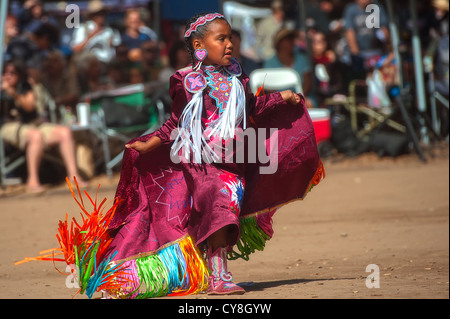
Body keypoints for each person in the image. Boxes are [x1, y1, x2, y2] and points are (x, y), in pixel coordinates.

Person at [18, 12, 324, 299]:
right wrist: (151, 143)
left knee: (222, 213)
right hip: (202, 164)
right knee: (219, 207)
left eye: (230, 37)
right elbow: (176, 122)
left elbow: (252, 110)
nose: (230, 44)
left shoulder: (238, 79)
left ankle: (207, 271)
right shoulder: (187, 81)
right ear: (199, 46)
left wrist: (282, 97)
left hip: (234, 162)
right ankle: (219, 276)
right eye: (222, 39)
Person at [0, 60, 87, 193]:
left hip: (34, 124)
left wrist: (14, 93)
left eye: (12, 73)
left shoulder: (26, 86)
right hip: (9, 126)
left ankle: (74, 177)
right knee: (36, 136)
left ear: (19, 74)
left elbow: (29, 106)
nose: (8, 76)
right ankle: (33, 180)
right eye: (5, 73)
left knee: (64, 132)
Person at [263, 28, 314, 107]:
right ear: (279, 43)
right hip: (278, 100)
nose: (292, 41)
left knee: (309, 104)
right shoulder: (270, 63)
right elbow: (270, 89)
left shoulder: (302, 58)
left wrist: (297, 98)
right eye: (288, 39)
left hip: (301, 97)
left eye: (292, 38)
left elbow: (308, 82)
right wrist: (284, 99)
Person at [343, 0, 390, 78]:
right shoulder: (351, 10)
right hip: (360, 53)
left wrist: (385, 42)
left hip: (376, 52)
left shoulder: (376, 7)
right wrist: (356, 54)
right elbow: (349, 32)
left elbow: (384, 29)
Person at [70, 0, 121, 64]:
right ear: (92, 15)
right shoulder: (83, 28)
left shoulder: (109, 30)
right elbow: (75, 49)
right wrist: (90, 36)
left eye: (103, 13)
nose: (101, 16)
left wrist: (111, 45)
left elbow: (117, 49)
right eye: (98, 14)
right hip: (89, 65)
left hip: (107, 64)